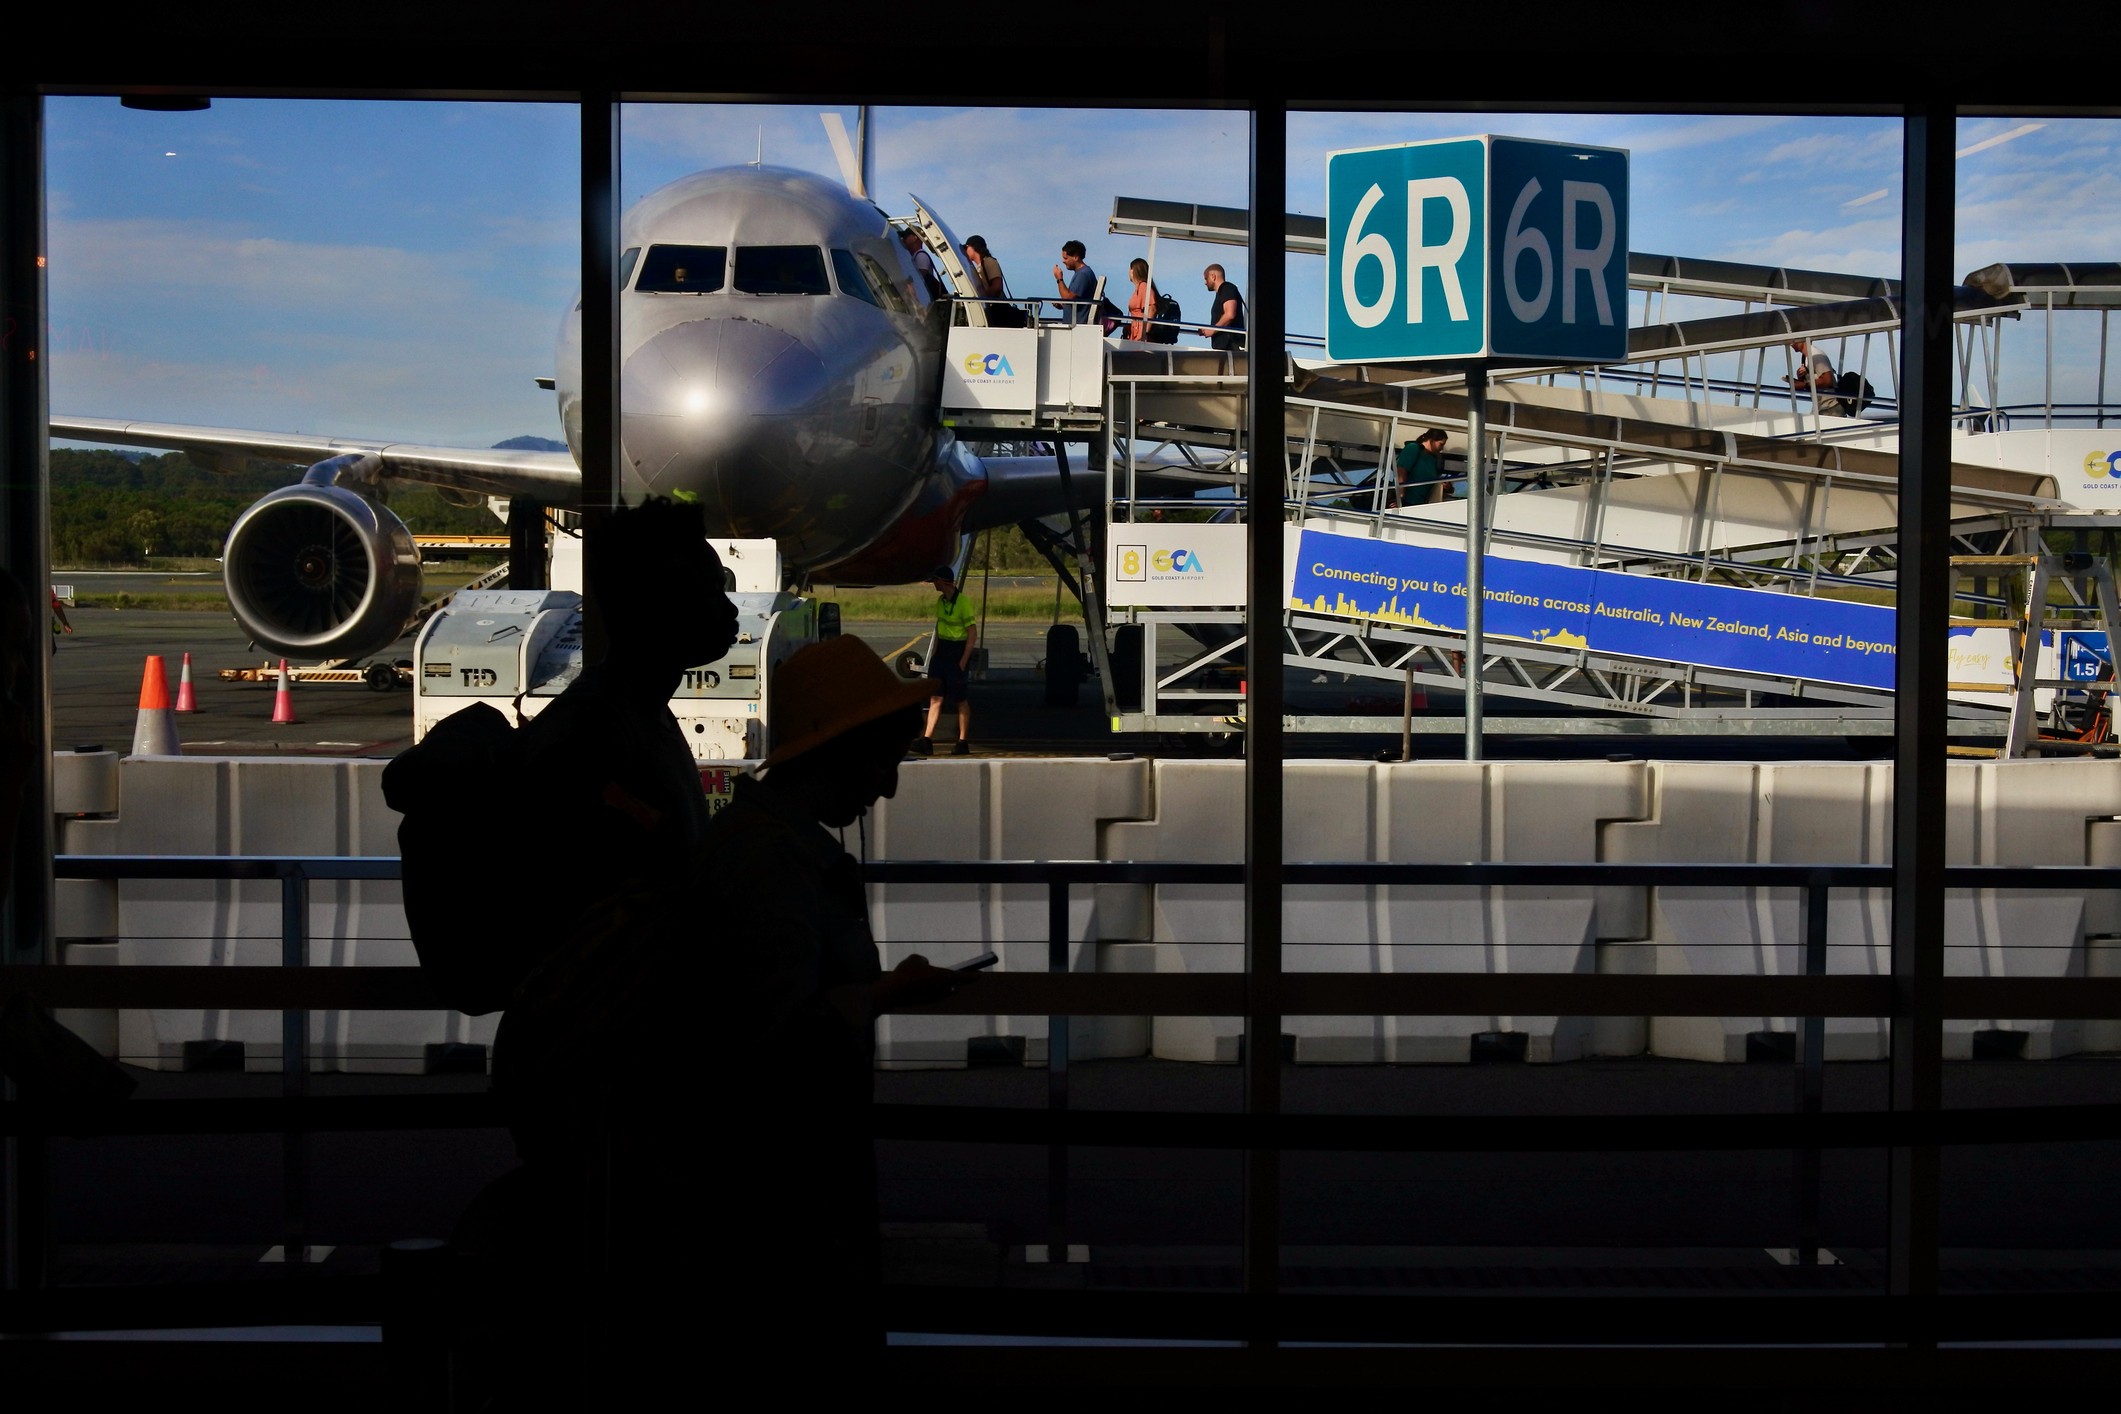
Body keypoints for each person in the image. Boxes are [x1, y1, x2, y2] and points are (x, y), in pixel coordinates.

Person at [701, 635, 970, 1366]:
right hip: (778, 1186)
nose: (884, 788)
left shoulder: (760, 849)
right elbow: (774, 1040)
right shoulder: (769, 865)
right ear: (838, 751)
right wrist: (882, 994)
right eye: (881, 761)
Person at [916, 564, 979, 755]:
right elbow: (939, 630)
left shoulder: (963, 603)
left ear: (942, 582)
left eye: (935, 581)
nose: (933, 584)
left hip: (956, 654)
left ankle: (962, 742)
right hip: (941, 654)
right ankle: (926, 740)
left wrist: (962, 662)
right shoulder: (940, 602)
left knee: (960, 700)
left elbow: (972, 634)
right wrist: (934, 654)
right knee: (935, 698)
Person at [964, 234, 1019, 326]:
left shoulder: (989, 261)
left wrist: (980, 300)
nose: (966, 251)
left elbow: (997, 287)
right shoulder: (980, 266)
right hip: (992, 309)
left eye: (967, 247)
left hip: (998, 311)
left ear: (974, 247)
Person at [1788, 339, 1851, 416]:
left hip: (1830, 407)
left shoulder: (1815, 354)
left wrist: (1805, 385)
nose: (1790, 344)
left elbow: (1828, 380)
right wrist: (1800, 379)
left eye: (1793, 340)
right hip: (1821, 407)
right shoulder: (1806, 357)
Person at [1393, 428, 1452, 506]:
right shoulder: (1413, 448)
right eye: (1441, 444)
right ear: (1431, 441)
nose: (1442, 449)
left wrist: (1443, 486)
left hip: (1420, 503)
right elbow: (1401, 470)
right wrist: (1400, 494)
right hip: (1406, 501)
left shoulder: (1432, 459)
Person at [1197, 263, 1246, 350]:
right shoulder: (1222, 292)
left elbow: (1230, 314)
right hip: (1224, 347)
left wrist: (1212, 330)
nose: (1205, 283)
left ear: (1213, 276)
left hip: (1231, 346)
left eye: (1206, 279)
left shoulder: (1227, 288)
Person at [1051, 239, 1097, 321]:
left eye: (1066, 258)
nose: (1063, 261)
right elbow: (1073, 299)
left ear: (1075, 257)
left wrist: (1059, 279)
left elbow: (1068, 297)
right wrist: (1063, 305)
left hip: (1076, 327)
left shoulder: (1083, 274)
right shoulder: (1082, 273)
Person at [899, 226, 943, 304]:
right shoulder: (914, 256)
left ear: (914, 238)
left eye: (906, 237)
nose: (903, 240)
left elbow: (918, 279)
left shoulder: (921, 256)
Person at [1125, 257, 1161, 342]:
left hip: (1141, 334)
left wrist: (1145, 333)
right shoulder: (1139, 288)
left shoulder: (1143, 287)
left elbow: (1152, 309)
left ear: (1133, 271)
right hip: (1136, 332)